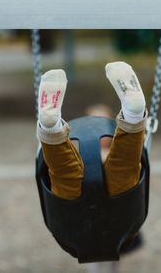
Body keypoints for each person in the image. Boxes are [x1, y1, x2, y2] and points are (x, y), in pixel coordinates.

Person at [37, 62, 147, 200]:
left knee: (126, 158)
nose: (96, 131)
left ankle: (51, 130)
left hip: (119, 200)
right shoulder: (74, 150)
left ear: (115, 130)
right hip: (73, 204)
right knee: (63, 169)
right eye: (92, 123)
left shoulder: (115, 149)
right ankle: (52, 128)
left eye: (102, 122)